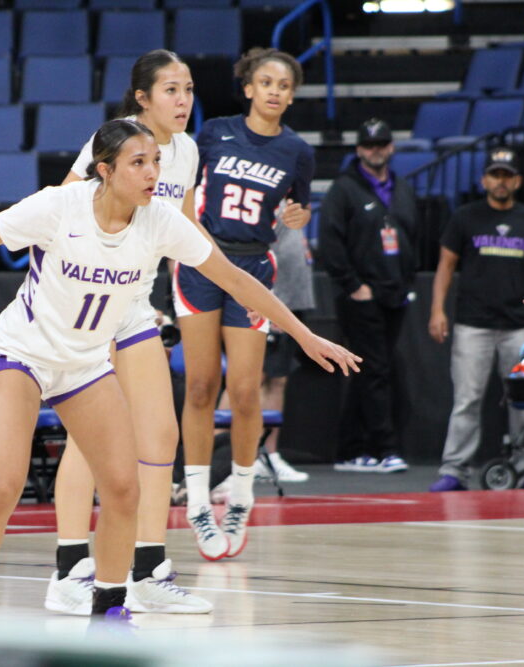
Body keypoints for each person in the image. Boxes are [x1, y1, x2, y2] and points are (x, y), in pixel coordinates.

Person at [0, 119, 359, 621]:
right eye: (138, 163)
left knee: (123, 487)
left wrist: (303, 333)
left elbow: (234, 279)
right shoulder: (59, 206)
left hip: (83, 364)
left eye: (156, 162)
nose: (152, 173)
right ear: (105, 170)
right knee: (4, 483)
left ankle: (110, 610)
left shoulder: (161, 220)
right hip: (23, 354)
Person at [45, 49, 214, 616]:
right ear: (142, 98)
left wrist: (178, 302)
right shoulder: (113, 142)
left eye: (188, 88)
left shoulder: (186, 151)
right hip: (85, 301)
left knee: (160, 434)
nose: (183, 100)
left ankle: (146, 570)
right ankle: (70, 570)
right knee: (90, 440)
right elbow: (60, 210)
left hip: (137, 304)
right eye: (170, 89)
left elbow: (183, 236)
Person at [175, 48, 315, 562]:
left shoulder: (297, 151)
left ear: (291, 96)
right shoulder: (214, 132)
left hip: (254, 266)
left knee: (245, 390)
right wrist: (192, 243)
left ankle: (240, 496)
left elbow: (297, 210)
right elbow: (186, 193)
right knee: (200, 386)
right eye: (267, 81)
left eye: (285, 85)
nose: (276, 90)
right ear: (249, 88)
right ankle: (194, 503)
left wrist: (298, 219)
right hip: (201, 263)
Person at [429, 146, 524, 492]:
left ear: (517, 180)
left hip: (519, 325)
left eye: (507, 175)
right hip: (473, 324)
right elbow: (445, 266)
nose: (500, 182)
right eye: (495, 174)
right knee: (467, 400)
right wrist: (437, 310)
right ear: (484, 179)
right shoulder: (465, 217)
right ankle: (454, 470)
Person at [318, 118, 418, 474]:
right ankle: (384, 448)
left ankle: (350, 449)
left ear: (390, 147)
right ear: (359, 149)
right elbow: (329, 242)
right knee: (375, 371)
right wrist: (353, 285)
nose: (376, 150)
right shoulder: (344, 189)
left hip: (394, 293)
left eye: (382, 144)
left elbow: (412, 236)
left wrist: (406, 283)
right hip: (361, 296)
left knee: (372, 371)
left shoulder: (402, 188)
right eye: (369, 145)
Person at [210, 217, 314, 504]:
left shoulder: (292, 196)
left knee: (278, 379)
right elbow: (259, 253)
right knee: (247, 379)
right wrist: (268, 301)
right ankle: (218, 462)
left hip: (294, 299)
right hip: (267, 298)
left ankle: (269, 454)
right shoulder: (264, 195)